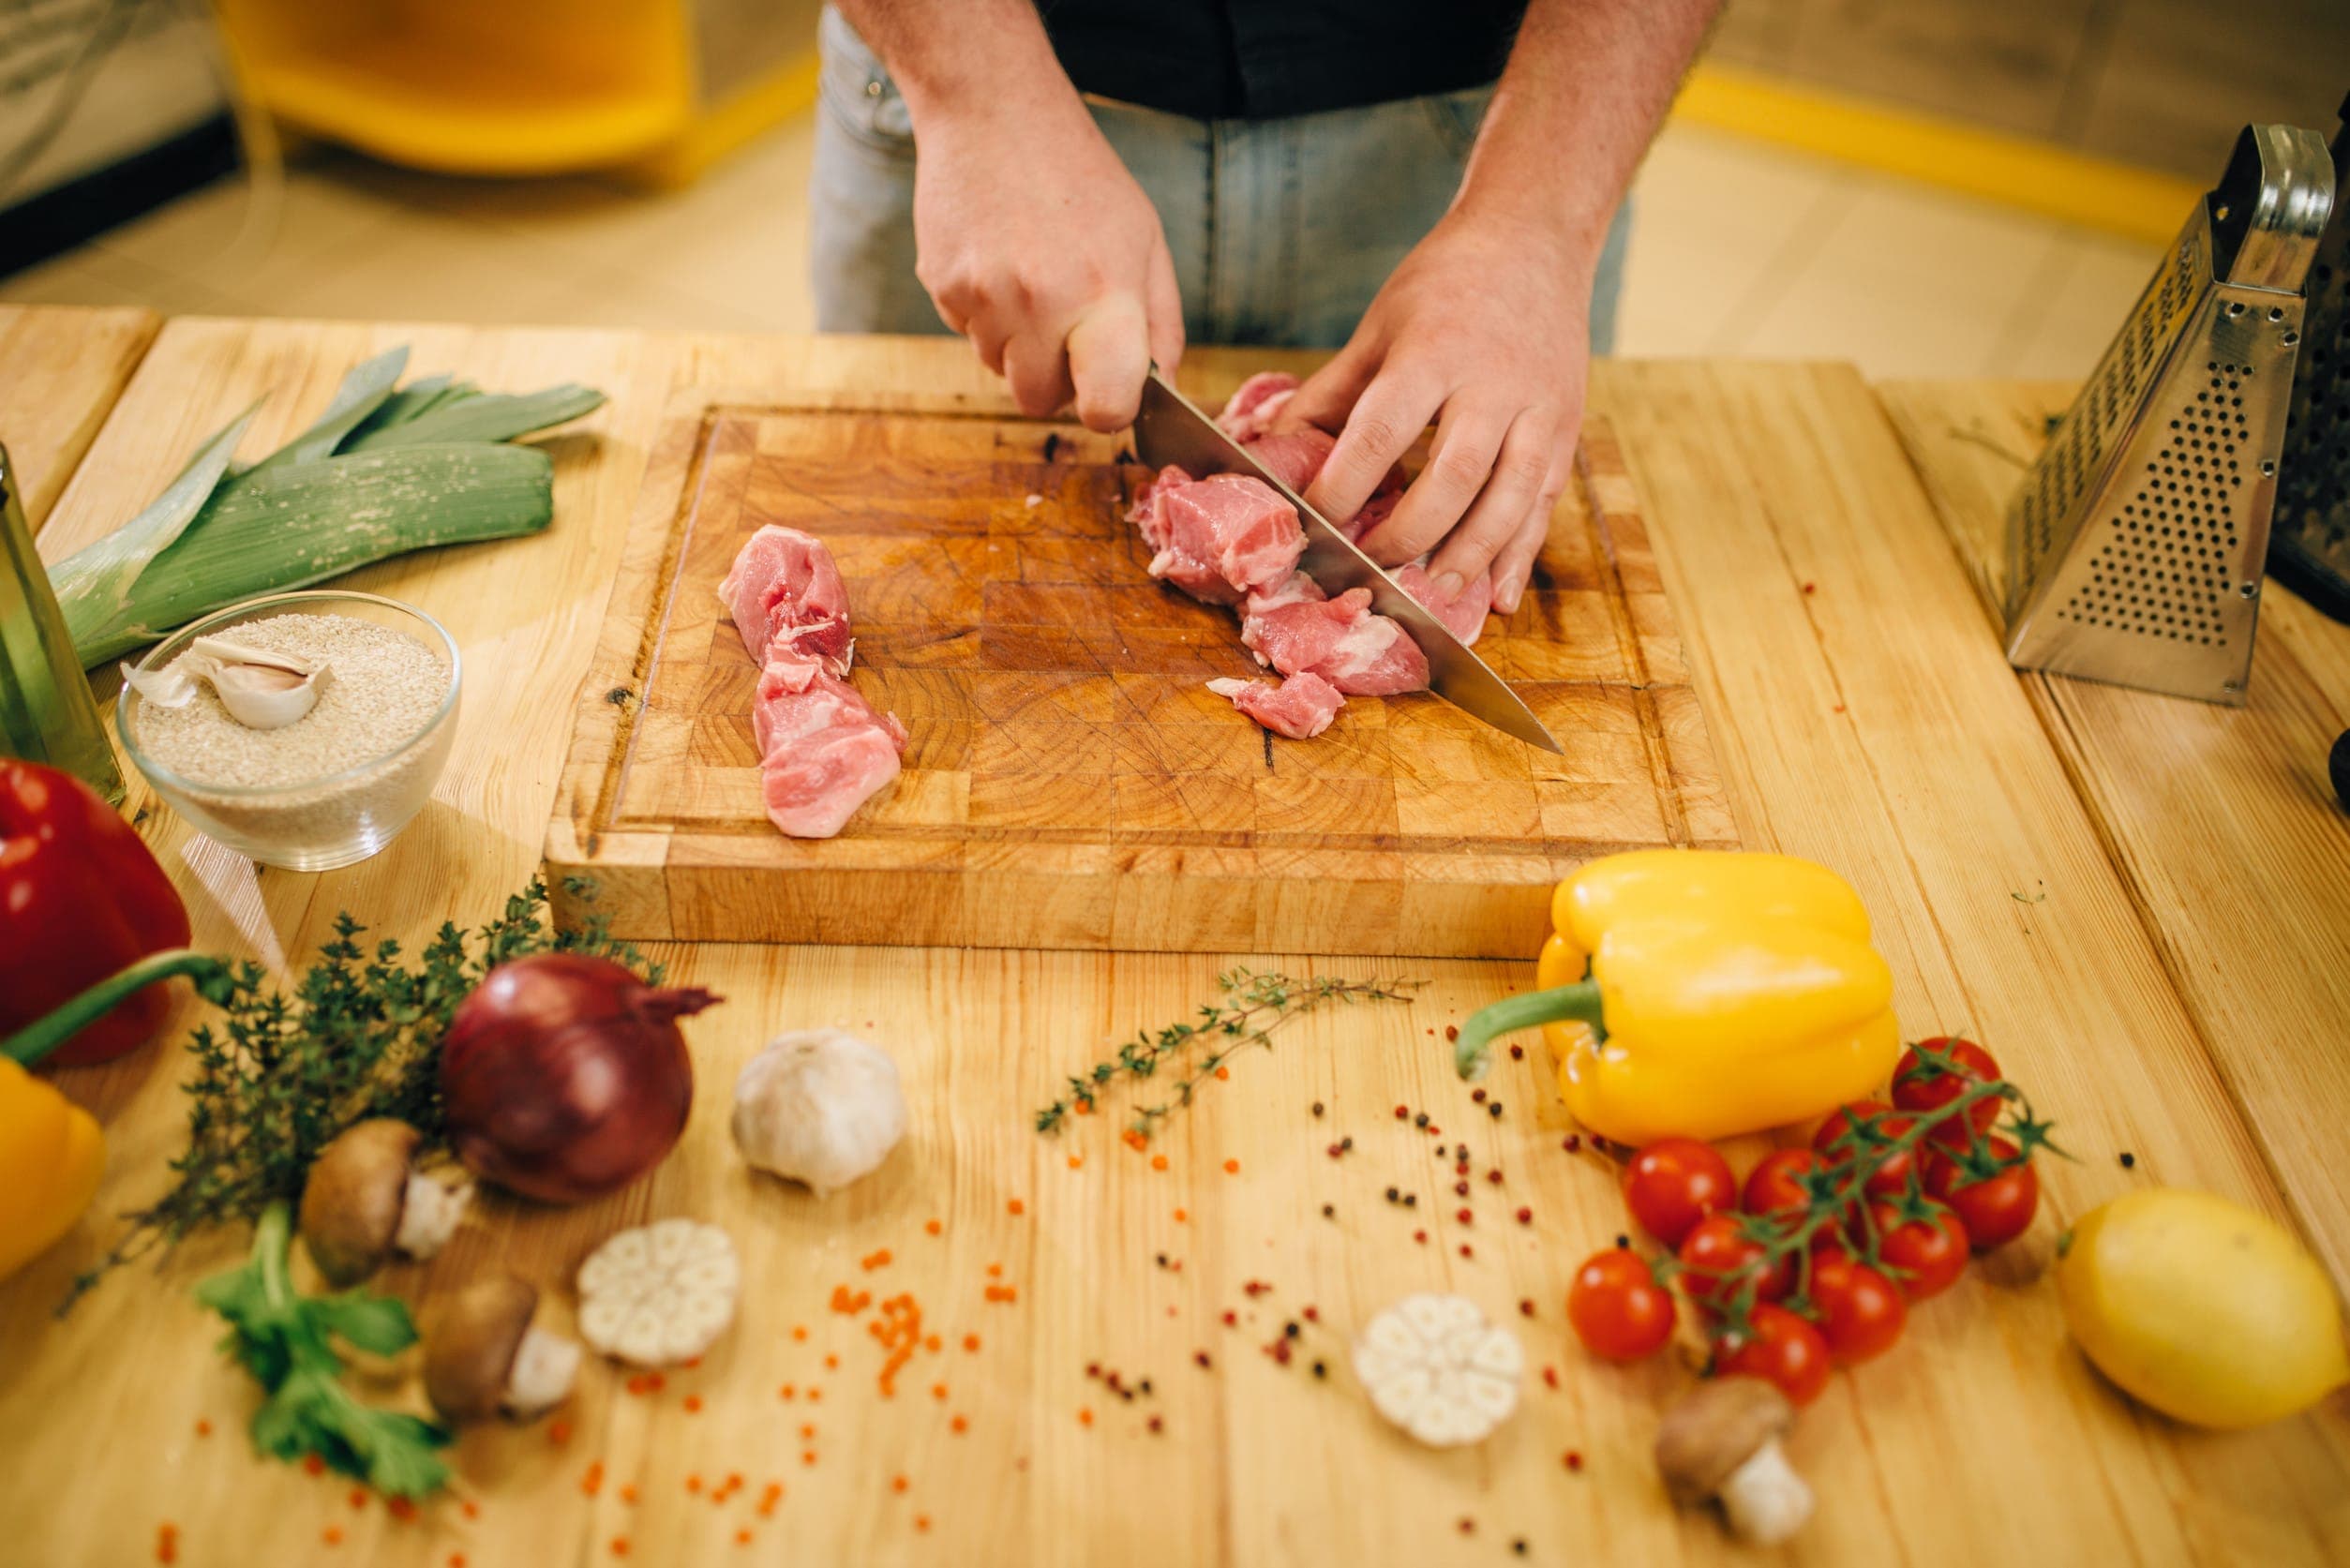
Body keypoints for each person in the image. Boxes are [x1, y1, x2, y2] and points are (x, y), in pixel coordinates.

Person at [810, 1, 1717, 615]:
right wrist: (973, 88)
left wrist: (1539, 216)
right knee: (900, 545)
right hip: (976, 89)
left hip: (1503, 127)